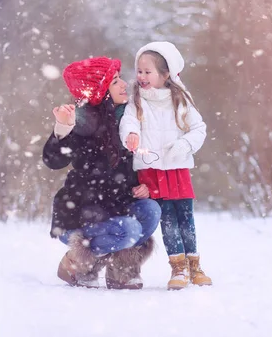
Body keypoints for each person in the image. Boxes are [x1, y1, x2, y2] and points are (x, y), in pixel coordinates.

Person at [42, 56, 161, 289]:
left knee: (150, 210)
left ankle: (121, 271)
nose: (124, 84)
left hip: (117, 208)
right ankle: (78, 264)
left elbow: (136, 164)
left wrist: (143, 186)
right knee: (129, 229)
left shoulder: (127, 119)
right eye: (115, 81)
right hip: (81, 217)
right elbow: (53, 160)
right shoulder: (81, 121)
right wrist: (63, 128)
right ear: (100, 90)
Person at [120, 41, 212, 290]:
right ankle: (178, 267)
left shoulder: (181, 100)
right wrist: (131, 134)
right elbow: (129, 121)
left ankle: (195, 264)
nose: (141, 76)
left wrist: (184, 145)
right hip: (151, 170)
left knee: (186, 217)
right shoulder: (137, 100)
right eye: (139, 71)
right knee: (167, 219)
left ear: (165, 74)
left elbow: (199, 129)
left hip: (177, 168)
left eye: (147, 72)